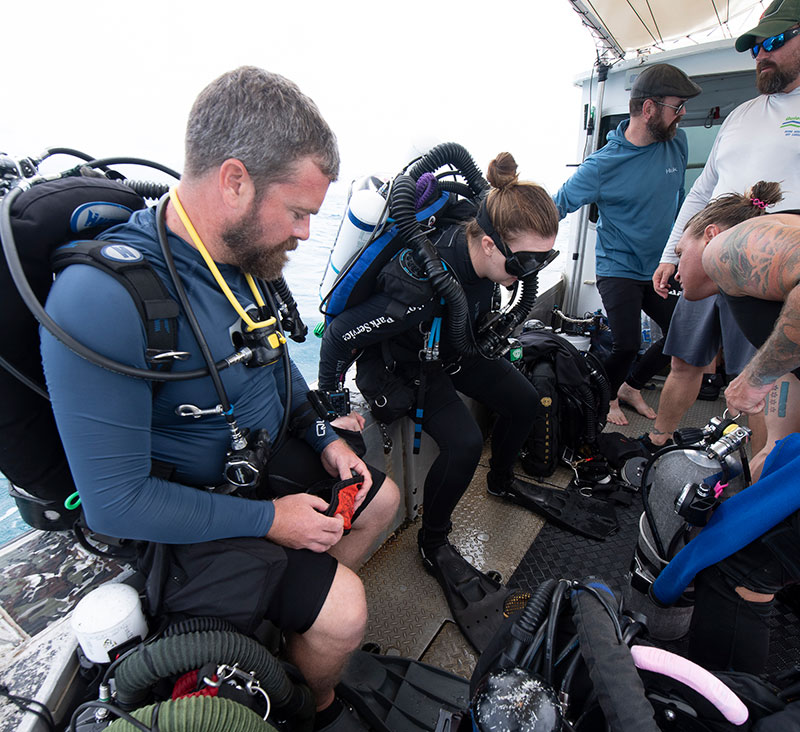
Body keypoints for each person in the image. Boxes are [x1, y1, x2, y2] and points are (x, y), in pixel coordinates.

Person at [41, 67, 399, 731]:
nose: (301, 233)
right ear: (235, 181)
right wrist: (272, 525)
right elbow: (115, 504)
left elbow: (274, 367)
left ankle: (291, 634)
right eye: (297, 213)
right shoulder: (104, 299)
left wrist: (322, 438)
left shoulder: (239, 262)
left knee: (384, 501)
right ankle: (311, 706)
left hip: (256, 471)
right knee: (346, 612)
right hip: (179, 520)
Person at [318, 152, 558, 643]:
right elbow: (339, 336)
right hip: (414, 365)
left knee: (527, 402)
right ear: (489, 245)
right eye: (525, 261)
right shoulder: (420, 283)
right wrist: (334, 408)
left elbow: (484, 318)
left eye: (545, 260)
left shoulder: (486, 236)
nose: (532, 271)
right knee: (465, 442)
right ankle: (433, 543)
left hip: (459, 346)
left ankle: (502, 480)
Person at [646, 0, 800, 455]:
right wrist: (672, 253)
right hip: (706, 255)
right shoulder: (741, 115)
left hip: (766, 270)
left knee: (755, 379)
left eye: (773, 42)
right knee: (682, 362)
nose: (760, 54)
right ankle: (658, 440)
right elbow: (701, 192)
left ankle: (754, 479)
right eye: (754, 46)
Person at [670, 187, 800, 673]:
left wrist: (752, 378)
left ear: (707, 235)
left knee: (735, 566)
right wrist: (776, 452)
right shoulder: (763, 275)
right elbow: (792, 377)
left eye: (680, 252)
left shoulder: (729, 249)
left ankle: (715, 712)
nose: (678, 267)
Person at [553, 63, 701, 426]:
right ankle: (603, 398)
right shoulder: (601, 166)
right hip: (618, 266)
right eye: (676, 106)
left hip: (661, 266)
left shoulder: (677, 143)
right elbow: (556, 206)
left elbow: (680, 200)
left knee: (682, 336)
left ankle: (630, 387)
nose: (682, 114)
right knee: (626, 345)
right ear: (649, 109)